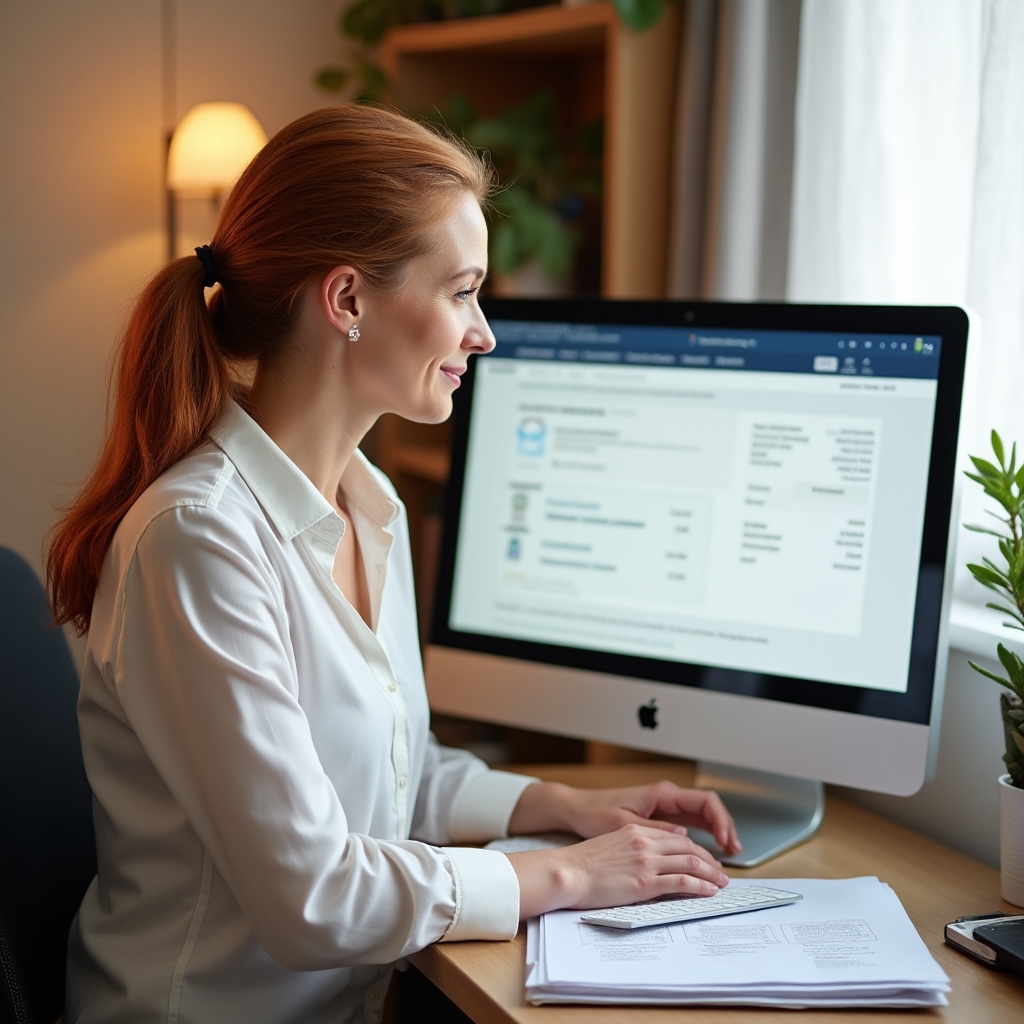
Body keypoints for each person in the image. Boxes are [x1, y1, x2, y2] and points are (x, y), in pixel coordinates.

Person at [47, 105, 741, 1024]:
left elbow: (386, 776)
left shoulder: (367, 502)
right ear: (346, 301)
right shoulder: (199, 541)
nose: (483, 333)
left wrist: (564, 805)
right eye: (461, 292)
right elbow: (315, 897)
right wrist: (567, 874)